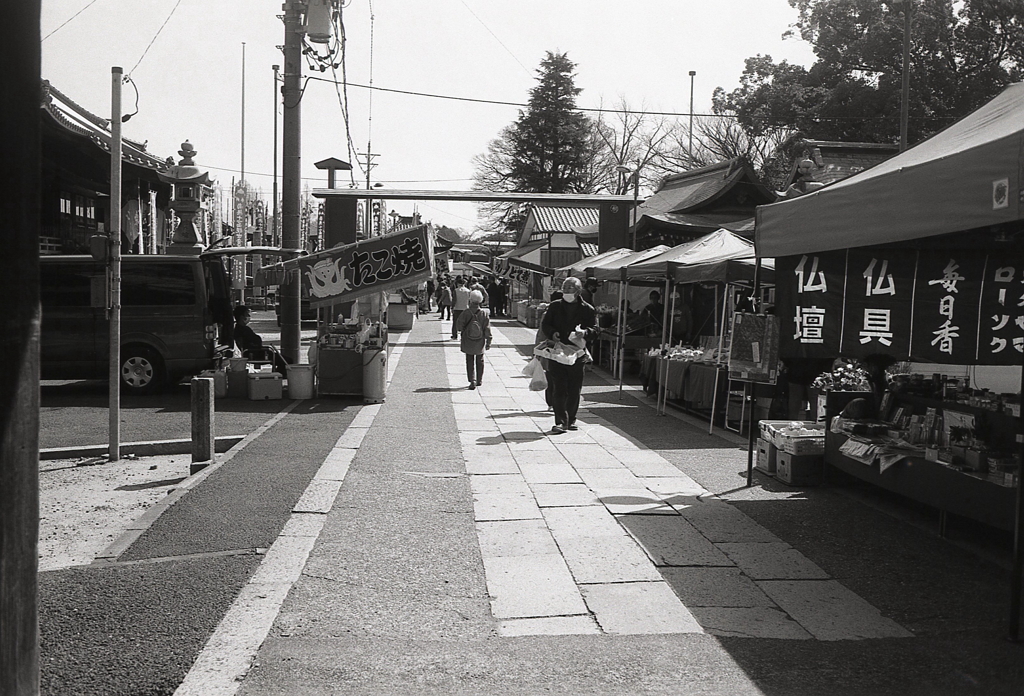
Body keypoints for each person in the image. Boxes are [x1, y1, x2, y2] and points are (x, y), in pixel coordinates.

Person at [540, 276, 598, 434]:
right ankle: (560, 422)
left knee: (574, 388)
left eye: (569, 289)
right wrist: (553, 333)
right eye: (564, 289)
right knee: (559, 388)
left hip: (577, 353)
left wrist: (584, 332)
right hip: (558, 351)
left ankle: (571, 419)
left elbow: (596, 330)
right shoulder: (555, 306)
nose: (565, 292)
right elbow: (545, 324)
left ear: (578, 291)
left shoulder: (588, 309)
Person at [233, 305, 288, 374]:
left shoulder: (238, 329)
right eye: (247, 314)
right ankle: (279, 376)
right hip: (257, 354)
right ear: (242, 317)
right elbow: (255, 341)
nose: (249, 316)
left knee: (282, 359)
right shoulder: (243, 330)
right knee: (287, 361)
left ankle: (277, 376)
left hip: (255, 352)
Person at [455, 290, 491, 389]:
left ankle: (472, 380)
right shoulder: (484, 313)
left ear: (470, 300)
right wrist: (489, 341)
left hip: (468, 339)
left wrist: (463, 332)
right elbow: (487, 329)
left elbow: (459, 326)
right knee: (480, 359)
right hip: (480, 339)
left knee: (469, 359)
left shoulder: (466, 312)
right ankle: (479, 380)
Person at [535, 291, 563, 411]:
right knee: (552, 376)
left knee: (552, 376)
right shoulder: (550, 314)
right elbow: (543, 332)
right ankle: (552, 403)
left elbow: (540, 333)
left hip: (551, 349)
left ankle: (552, 403)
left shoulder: (547, 313)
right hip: (551, 349)